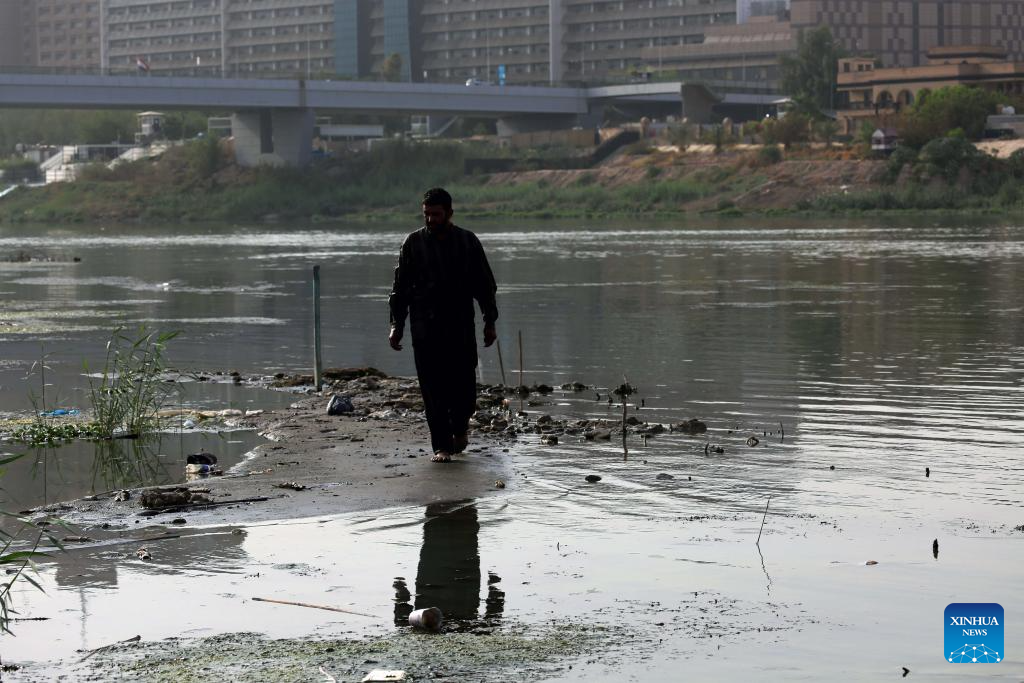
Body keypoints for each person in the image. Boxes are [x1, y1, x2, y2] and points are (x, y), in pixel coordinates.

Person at [388, 188, 498, 462]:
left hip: (460, 327)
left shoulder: (467, 241)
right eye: (426, 214)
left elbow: (485, 285)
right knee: (432, 390)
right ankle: (442, 447)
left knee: (464, 389)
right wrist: (396, 326)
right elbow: (400, 289)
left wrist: (489, 321)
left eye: (436, 214)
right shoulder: (412, 243)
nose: (430, 219)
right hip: (424, 329)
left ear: (449, 213)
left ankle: (460, 428)